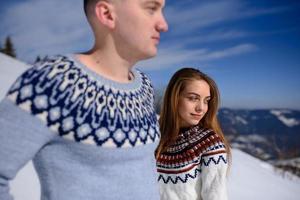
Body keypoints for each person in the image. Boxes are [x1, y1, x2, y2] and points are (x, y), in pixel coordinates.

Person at [0, 0, 168, 200]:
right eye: (151, 9)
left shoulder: (144, 86)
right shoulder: (52, 82)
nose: (163, 24)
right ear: (106, 14)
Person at [155, 68, 231, 200]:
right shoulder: (153, 137)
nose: (201, 108)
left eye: (206, 100)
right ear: (174, 98)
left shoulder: (210, 144)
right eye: (193, 98)